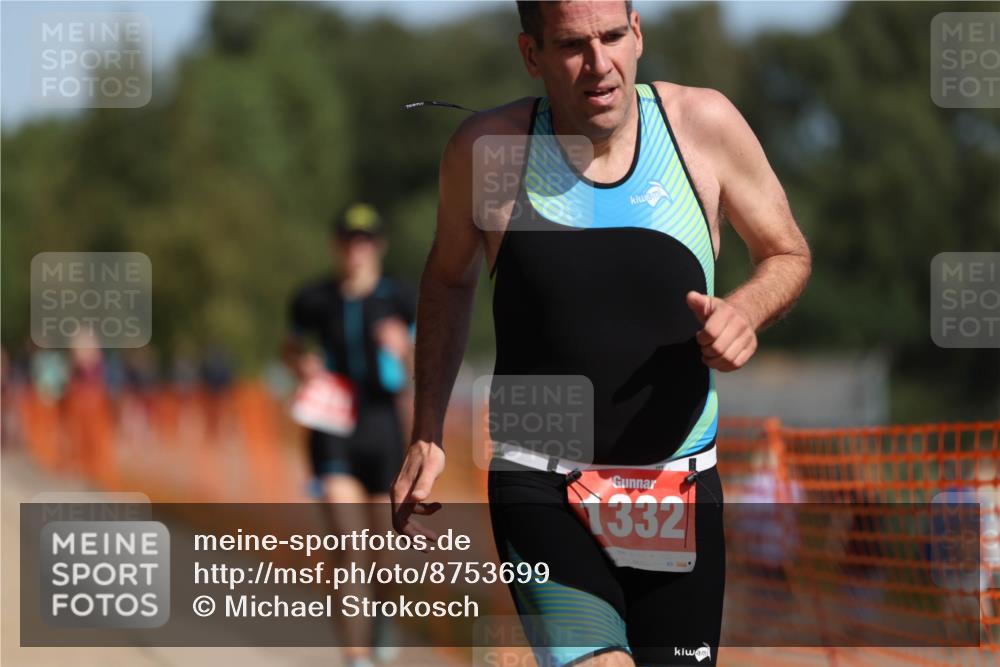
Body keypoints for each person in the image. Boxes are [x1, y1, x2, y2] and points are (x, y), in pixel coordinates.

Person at [394, 1, 812, 665]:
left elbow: (787, 253)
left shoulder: (701, 128)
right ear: (531, 55)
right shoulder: (489, 152)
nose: (599, 64)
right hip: (541, 483)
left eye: (613, 36)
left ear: (638, 32)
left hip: (677, 489)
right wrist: (427, 431)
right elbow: (447, 280)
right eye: (571, 46)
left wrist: (745, 311)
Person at [284, 202, 416, 667]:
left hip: (383, 429)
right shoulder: (313, 299)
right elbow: (291, 345)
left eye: (364, 241)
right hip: (333, 428)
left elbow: (427, 365)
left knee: (385, 556)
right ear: (335, 244)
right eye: (347, 240)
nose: (354, 250)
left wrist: (404, 350)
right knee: (349, 547)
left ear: (377, 245)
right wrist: (301, 365)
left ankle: (384, 617)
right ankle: (356, 657)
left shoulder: (401, 298)